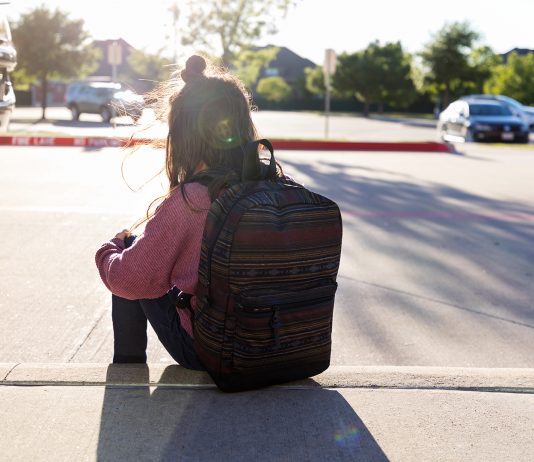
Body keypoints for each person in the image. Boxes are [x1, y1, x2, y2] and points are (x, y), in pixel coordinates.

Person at [95, 55, 277, 369]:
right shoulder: (274, 185)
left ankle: (128, 371)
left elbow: (128, 280)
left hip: (215, 351)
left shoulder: (193, 199)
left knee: (130, 254)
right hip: (282, 344)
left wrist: (110, 250)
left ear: (184, 134)